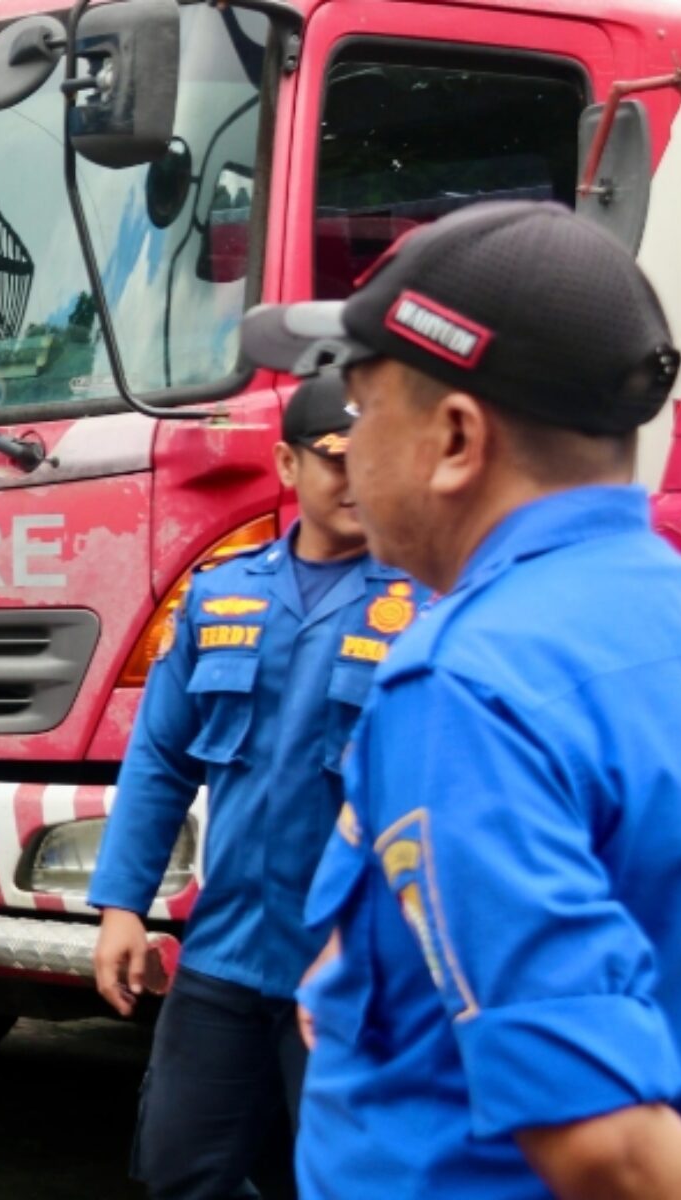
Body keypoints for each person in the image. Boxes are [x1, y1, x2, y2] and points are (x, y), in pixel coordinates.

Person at [243, 200, 681, 1197]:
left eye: (361, 413)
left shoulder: (466, 685)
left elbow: (606, 1147)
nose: (348, 455)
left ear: (454, 437)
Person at [87, 369, 412, 1199]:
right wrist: (123, 905)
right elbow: (161, 759)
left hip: (351, 971)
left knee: (339, 1181)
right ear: (287, 463)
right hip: (226, 957)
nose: (354, 478)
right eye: (335, 458)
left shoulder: (424, 608)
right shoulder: (221, 596)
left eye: (371, 456)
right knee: (175, 1172)